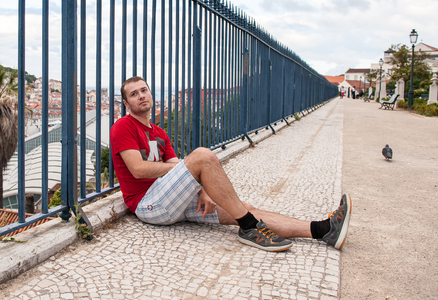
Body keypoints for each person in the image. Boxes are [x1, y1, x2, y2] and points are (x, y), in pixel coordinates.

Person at [110, 76, 352, 252]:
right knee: (203, 155)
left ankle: (323, 230)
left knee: (243, 208)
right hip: (148, 204)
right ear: (126, 102)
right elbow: (139, 170)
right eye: (134, 94)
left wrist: (202, 189)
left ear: (151, 94)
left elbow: (176, 165)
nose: (141, 96)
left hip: (172, 198)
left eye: (144, 90)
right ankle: (249, 229)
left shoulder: (159, 132)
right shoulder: (123, 126)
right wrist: (191, 169)